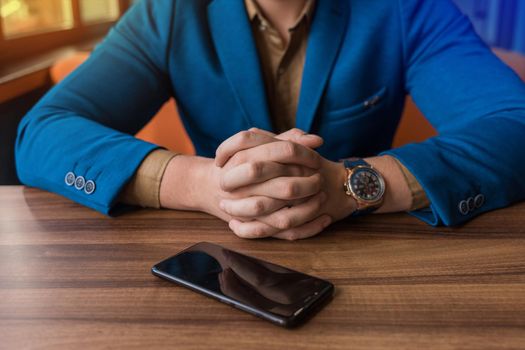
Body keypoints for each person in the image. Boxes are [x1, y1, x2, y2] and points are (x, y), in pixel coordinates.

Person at [15, 0, 525, 240]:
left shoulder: (405, 9)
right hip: (216, 263)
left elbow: (515, 124)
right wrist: (200, 184)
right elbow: (42, 132)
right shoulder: (169, 12)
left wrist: (351, 186)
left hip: (372, 257)